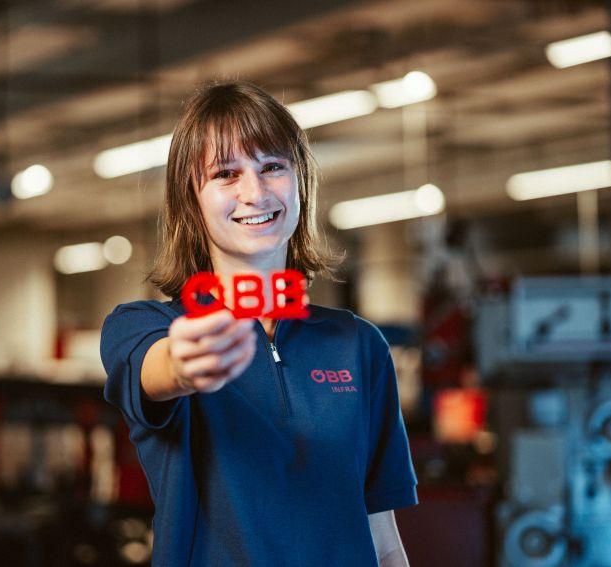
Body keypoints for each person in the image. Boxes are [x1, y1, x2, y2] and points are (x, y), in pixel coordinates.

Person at [101, 80, 417, 566]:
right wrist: (185, 364)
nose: (254, 192)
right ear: (192, 198)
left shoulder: (358, 344)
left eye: (272, 167)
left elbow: (383, 539)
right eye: (226, 174)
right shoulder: (146, 327)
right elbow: (159, 370)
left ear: (300, 181)